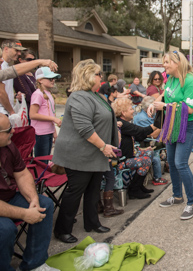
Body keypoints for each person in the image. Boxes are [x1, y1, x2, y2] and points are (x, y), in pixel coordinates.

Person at [52, 60, 119, 244]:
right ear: (88, 76)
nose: (101, 78)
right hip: (79, 154)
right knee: (75, 191)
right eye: (98, 74)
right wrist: (104, 146)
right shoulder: (79, 97)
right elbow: (85, 129)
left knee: (93, 189)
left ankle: (92, 223)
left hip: (95, 153)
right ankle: (62, 229)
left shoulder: (95, 95)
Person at [0, 113, 60, 271]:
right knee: (5, 229)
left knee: (44, 204)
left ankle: (35, 264)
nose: (13, 131)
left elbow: (22, 173)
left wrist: (33, 199)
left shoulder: (8, 145)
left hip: (8, 197)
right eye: (8, 130)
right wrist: (24, 213)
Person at [149, 51, 193, 220]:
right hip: (172, 122)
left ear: (178, 62)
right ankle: (177, 196)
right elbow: (165, 93)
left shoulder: (191, 81)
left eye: (167, 62)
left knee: (180, 163)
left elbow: (190, 109)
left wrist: (164, 106)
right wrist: (154, 102)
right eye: (164, 62)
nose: (164, 65)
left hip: (189, 124)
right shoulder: (171, 78)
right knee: (171, 161)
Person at [112, 98, 156, 199]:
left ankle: (139, 186)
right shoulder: (121, 124)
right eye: (131, 109)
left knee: (149, 152)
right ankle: (134, 189)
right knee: (145, 161)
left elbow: (138, 136)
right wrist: (158, 124)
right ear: (123, 112)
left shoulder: (124, 122)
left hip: (127, 156)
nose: (133, 111)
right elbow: (140, 131)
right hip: (120, 161)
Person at [133, 96, 169, 185]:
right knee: (159, 153)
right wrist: (164, 125)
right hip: (145, 143)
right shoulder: (142, 118)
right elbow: (152, 135)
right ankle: (157, 178)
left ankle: (166, 166)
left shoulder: (147, 114)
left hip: (150, 140)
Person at [29, 67, 62, 157]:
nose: (53, 81)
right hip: (40, 133)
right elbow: (32, 114)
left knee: (46, 159)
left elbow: (49, 112)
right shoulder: (38, 94)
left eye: (54, 78)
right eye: (50, 79)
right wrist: (53, 119)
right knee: (41, 160)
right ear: (40, 80)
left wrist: (54, 132)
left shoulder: (49, 94)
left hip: (48, 132)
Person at [0, 40, 26, 115]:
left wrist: (15, 96)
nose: (19, 53)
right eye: (16, 50)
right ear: (6, 49)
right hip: (2, 112)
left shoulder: (7, 67)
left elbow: (6, 90)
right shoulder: (2, 67)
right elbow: (1, 93)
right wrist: (11, 112)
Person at [13, 50, 38, 115]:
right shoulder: (19, 76)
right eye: (29, 59)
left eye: (33, 60)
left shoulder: (34, 74)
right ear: (21, 60)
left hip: (38, 107)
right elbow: (28, 96)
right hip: (28, 109)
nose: (31, 62)